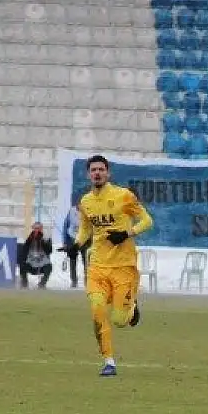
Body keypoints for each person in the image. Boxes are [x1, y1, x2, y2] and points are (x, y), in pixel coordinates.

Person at [66, 154, 154, 377]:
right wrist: (76, 245)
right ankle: (109, 361)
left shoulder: (123, 196)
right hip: (97, 266)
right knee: (97, 310)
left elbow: (147, 221)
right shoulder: (85, 202)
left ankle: (131, 309)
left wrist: (126, 233)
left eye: (101, 169)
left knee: (119, 320)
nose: (97, 173)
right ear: (88, 174)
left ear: (108, 173)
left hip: (123, 266)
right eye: (93, 170)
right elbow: (86, 229)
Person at [59, 203, 89, 288]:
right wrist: (65, 241)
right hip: (72, 239)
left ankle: (87, 281)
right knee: (72, 262)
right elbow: (65, 226)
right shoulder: (71, 212)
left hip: (84, 240)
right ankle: (74, 281)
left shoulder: (88, 211)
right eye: (80, 204)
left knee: (86, 261)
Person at [17, 222, 53, 288]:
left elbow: (49, 251)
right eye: (35, 228)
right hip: (31, 263)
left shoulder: (46, 238)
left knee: (49, 267)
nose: (36, 230)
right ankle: (24, 283)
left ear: (41, 229)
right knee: (22, 264)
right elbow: (24, 249)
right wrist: (30, 239)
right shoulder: (30, 237)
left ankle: (42, 284)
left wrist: (42, 241)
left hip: (41, 263)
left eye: (38, 229)